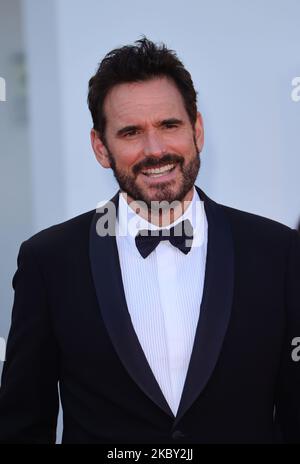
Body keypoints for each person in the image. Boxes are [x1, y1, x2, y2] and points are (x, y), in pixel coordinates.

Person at [0, 37, 299, 444]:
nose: (155, 149)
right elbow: (22, 425)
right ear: (100, 147)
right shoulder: (49, 262)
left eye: (169, 125)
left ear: (197, 129)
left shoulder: (277, 253)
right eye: (130, 132)